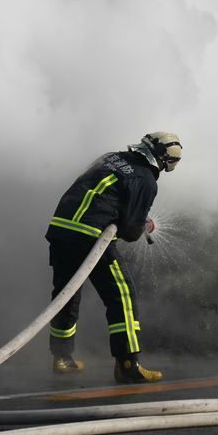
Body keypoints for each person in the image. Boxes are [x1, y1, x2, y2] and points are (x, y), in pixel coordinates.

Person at [46, 132, 182, 383]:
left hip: (61, 228)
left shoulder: (111, 157)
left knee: (65, 295)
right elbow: (130, 231)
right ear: (165, 160)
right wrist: (140, 225)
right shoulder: (146, 179)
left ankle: (62, 358)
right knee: (122, 295)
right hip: (89, 234)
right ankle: (128, 364)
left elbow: (99, 193)